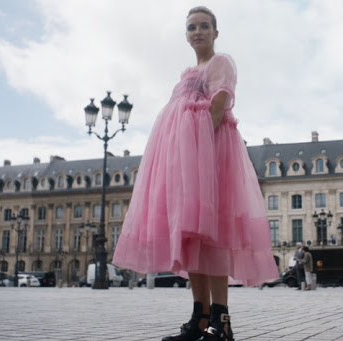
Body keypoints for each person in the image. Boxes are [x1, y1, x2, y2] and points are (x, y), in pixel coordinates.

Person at [112, 6, 279, 341]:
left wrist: (199, 157)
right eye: (192, 27)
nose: (198, 32)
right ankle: (199, 317)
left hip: (212, 158)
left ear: (216, 33)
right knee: (193, 240)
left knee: (213, 238)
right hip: (185, 165)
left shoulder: (221, 62)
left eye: (204, 26)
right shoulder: (188, 72)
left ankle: (222, 321)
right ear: (186, 35)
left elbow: (219, 105)